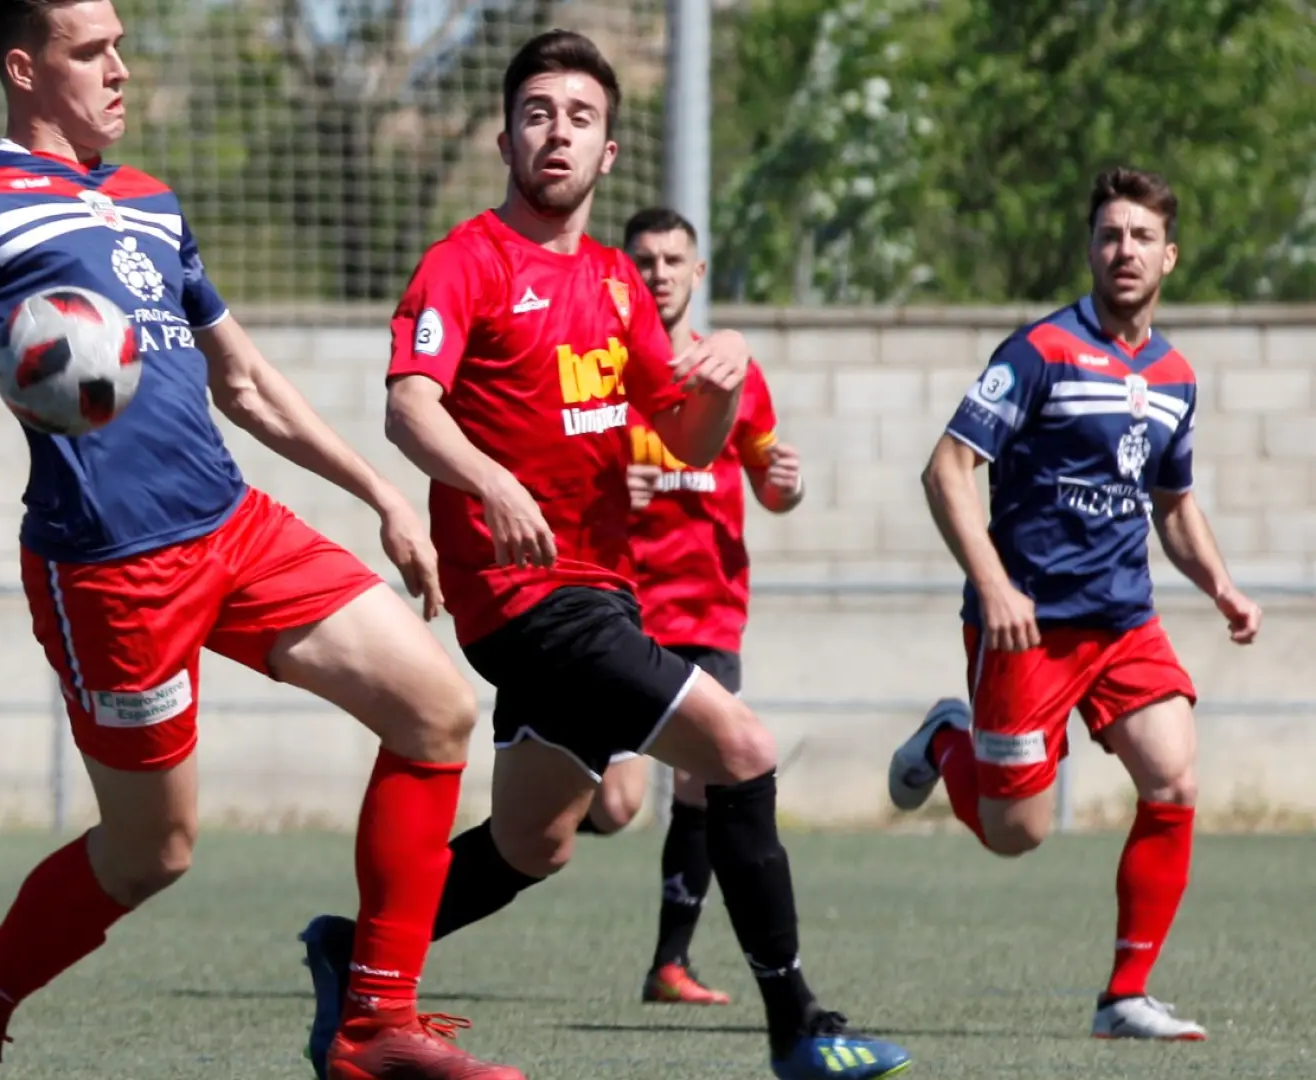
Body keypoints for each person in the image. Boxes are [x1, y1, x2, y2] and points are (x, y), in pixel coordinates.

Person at [0, 3, 522, 1078]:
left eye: (121, 45)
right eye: (92, 50)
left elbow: (243, 382)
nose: (120, 69)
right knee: (154, 853)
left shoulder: (149, 203)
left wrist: (381, 490)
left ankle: (376, 1026)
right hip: (110, 574)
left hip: (235, 530)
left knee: (435, 707)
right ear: (24, 68)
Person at [298, 31, 908, 1080]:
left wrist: (726, 374)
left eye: (580, 118)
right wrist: (489, 481)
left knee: (535, 841)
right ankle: (799, 1026)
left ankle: (354, 957)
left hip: (599, 599)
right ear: (504, 136)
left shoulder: (621, 284)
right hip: (528, 601)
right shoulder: (466, 262)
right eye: (538, 113)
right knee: (744, 750)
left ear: (609, 152)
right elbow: (408, 408)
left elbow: (687, 438)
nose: (557, 133)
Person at [889, 165, 1262, 1041]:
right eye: (1108, 235)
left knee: (1174, 778)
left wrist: (1220, 585)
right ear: (1090, 250)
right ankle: (949, 737)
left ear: (1169, 255)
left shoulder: (1174, 376)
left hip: (1123, 623)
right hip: (1026, 629)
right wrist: (993, 584)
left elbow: (1172, 503)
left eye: (1140, 237)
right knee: (1016, 832)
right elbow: (947, 470)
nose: (1122, 250)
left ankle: (1124, 997)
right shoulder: (1039, 352)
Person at [572, 207, 805, 1008]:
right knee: (617, 802)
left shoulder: (731, 372)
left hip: (708, 612)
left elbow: (772, 482)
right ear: (624, 270)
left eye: (675, 259)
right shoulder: (601, 367)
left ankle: (669, 964)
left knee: (704, 785)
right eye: (644, 259)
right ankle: (548, 827)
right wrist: (614, 487)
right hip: (622, 609)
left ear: (697, 274)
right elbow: (561, 473)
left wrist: (787, 484)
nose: (659, 272)